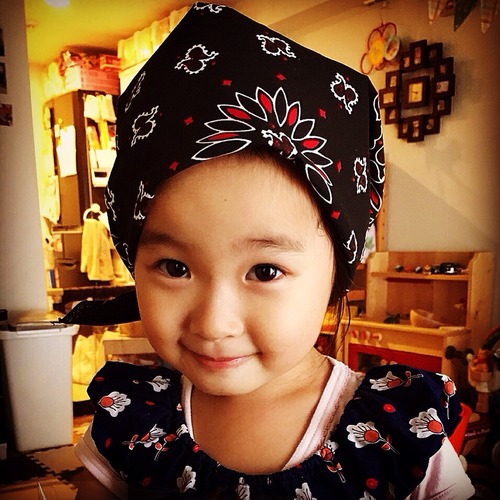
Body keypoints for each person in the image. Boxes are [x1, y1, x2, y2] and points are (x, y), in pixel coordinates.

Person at [62, 3, 475, 498]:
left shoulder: (395, 434)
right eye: (174, 267)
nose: (214, 324)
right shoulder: (130, 423)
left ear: (337, 270)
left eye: (264, 271)